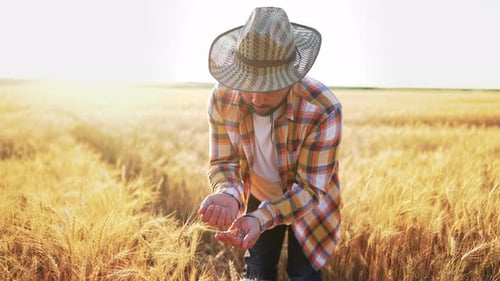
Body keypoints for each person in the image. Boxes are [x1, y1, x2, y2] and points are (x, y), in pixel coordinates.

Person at [198, 7, 342, 281]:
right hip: (258, 193)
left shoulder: (323, 108)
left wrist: (261, 218)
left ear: (291, 76)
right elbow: (223, 162)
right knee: (259, 271)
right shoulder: (222, 98)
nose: (255, 98)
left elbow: (310, 189)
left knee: (303, 274)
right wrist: (229, 194)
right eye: (247, 83)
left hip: (310, 205)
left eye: (267, 87)